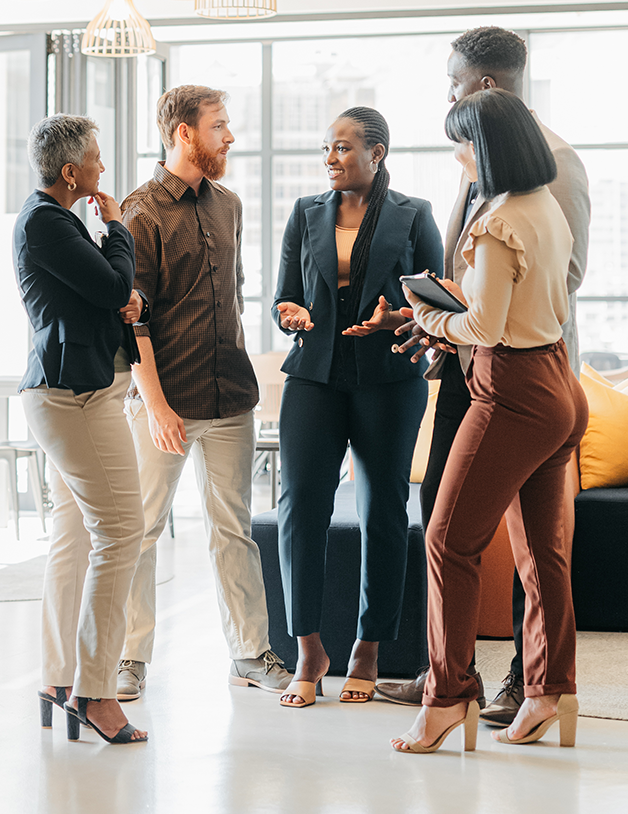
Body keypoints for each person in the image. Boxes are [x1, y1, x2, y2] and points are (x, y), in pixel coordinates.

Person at [376, 26, 590, 726]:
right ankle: (549, 689)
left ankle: (451, 695)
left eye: (455, 89)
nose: (456, 149)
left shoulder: (525, 198)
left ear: (485, 100)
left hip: (511, 377)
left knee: (447, 541)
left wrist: (437, 319)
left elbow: (503, 312)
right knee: (537, 552)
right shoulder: (526, 199)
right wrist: (452, 305)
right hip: (545, 381)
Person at [117, 84, 291, 700]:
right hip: (167, 402)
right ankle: (129, 657)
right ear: (184, 133)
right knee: (141, 530)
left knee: (234, 529)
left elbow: (231, 300)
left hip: (231, 398)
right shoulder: (140, 212)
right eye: (219, 125)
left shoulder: (230, 205)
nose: (230, 136)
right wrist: (157, 406)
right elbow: (131, 317)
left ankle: (251, 651)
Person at [273, 107, 443, 708]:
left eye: (343, 147)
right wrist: (289, 314)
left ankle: (368, 646)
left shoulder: (415, 214)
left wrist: (396, 316)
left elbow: (438, 304)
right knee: (299, 508)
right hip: (314, 378)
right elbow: (282, 297)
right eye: (326, 148)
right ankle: (308, 647)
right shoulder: (305, 213)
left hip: (390, 381)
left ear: (378, 152)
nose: (330, 158)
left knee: (382, 513)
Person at [14, 114, 148, 743]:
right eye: (95, 158)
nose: (102, 167)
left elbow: (107, 296)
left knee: (76, 536)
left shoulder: (60, 223)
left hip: (75, 391)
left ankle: (57, 676)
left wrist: (123, 295)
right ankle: (94, 690)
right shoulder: (47, 221)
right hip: (75, 399)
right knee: (122, 531)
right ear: (71, 171)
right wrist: (117, 226)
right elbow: (111, 284)